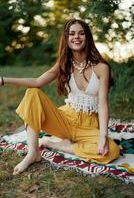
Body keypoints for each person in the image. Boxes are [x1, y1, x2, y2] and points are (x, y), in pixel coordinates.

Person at [0, 19, 120, 175]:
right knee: (33, 92)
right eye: (72, 33)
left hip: (89, 125)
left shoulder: (101, 68)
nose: (76, 37)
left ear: (87, 37)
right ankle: (33, 152)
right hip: (66, 119)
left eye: (81, 33)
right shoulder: (64, 64)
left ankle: (59, 145)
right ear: (66, 38)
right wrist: (3, 80)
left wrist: (103, 136)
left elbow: (103, 104)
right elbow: (37, 81)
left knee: (111, 151)